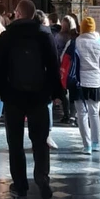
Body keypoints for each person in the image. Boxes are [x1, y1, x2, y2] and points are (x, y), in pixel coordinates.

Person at [0, 0, 62, 199]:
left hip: (13, 96)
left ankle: (20, 185)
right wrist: (57, 93)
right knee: (40, 141)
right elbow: (53, 66)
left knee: (15, 142)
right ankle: (42, 178)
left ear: (18, 14)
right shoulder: (44, 34)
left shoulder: (8, 35)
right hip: (39, 95)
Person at [74, 16, 100, 153]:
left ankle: (87, 145)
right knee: (94, 114)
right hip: (95, 82)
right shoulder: (99, 44)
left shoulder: (76, 42)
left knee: (82, 114)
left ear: (82, 28)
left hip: (79, 82)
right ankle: (96, 143)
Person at [35, 10, 59, 149]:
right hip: (43, 79)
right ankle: (46, 136)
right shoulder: (46, 36)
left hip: (34, 79)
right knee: (46, 107)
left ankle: (41, 137)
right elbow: (53, 62)